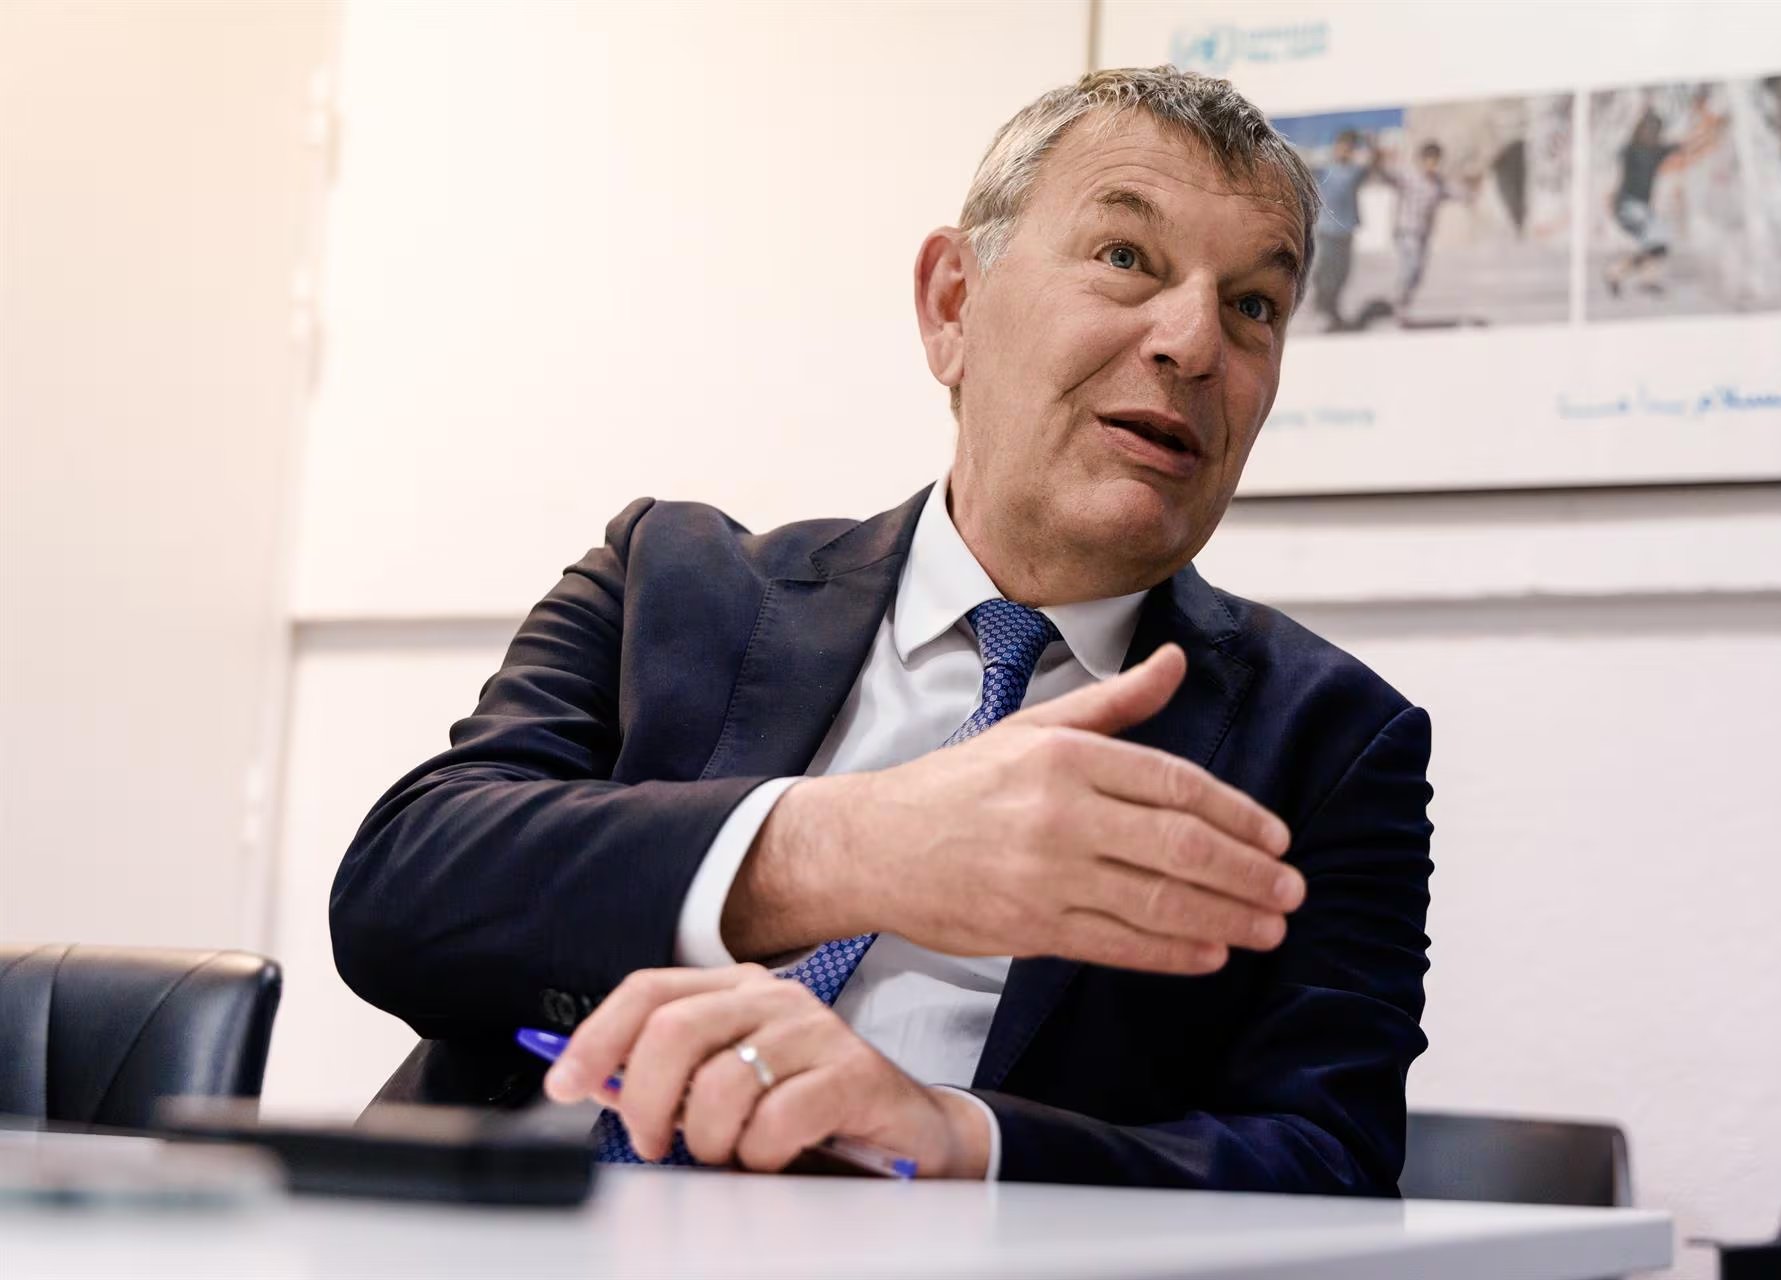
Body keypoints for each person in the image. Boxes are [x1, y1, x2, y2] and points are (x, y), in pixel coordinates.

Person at [331, 66, 1434, 1192]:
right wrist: (848, 848)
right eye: (1124, 257)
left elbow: (1328, 1158)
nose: (1194, 342)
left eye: (1254, 305)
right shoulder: (670, 580)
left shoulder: (1329, 742)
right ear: (954, 305)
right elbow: (402, 897)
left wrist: (955, 1137)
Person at [1604, 100, 1727, 298]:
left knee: (1658, 246)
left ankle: (1620, 273)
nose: (1651, 134)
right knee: (1657, 241)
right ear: (1640, 130)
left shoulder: (1656, 151)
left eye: (1655, 131)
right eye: (1648, 130)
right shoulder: (1630, 150)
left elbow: (1688, 145)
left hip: (1639, 208)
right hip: (1627, 206)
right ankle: (1641, 277)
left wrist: (1712, 131)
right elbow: (1615, 166)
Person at [1378, 140, 1478, 321]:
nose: (1431, 165)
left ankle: (1402, 304)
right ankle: (1398, 302)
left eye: (1435, 161)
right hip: (1405, 230)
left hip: (1423, 234)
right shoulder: (1408, 177)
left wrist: (1471, 187)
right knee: (1411, 266)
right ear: (1421, 160)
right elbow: (1387, 176)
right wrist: (1379, 158)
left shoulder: (1438, 184)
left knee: (1418, 273)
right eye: (1428, 160)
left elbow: (1460, 194)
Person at [1309, 129, 1373, 331]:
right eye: (1342, 146)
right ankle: (1325, 311)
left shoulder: (1355, 172)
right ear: (1336, 147)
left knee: (1342, 274)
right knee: (1327, 274)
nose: (1345, 151)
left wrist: (1369, 143)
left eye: (1349, 148)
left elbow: (1371, 165)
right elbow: (1303, 167)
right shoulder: (1325, 169)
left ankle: (1331, 311)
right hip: (1327, 231)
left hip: (1346, 231)